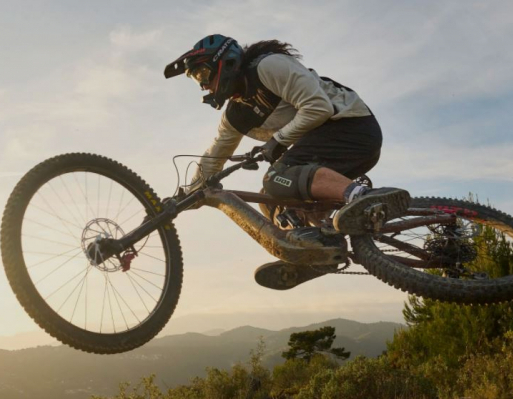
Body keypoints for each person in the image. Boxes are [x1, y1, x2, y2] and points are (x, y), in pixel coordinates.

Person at [164, 34, 410, 289]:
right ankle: (319, 247)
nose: (203, 85)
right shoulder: (236, 114)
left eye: (203, 74)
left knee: (277, 177)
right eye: (197, 80)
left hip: (353, 128)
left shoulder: (267, 67)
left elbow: (318, 107)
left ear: (225, 62)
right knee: (271, 201)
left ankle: (362, 197)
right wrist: (185, 198)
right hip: (325, 147)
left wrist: (277, 141)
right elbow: (213, 158)